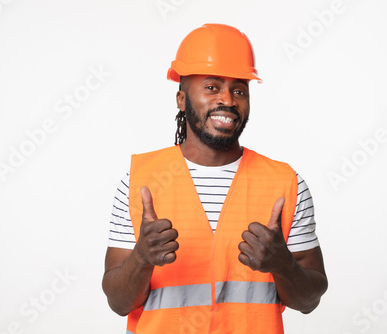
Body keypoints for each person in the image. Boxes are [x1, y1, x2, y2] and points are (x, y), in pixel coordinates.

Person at [102, 23, 327, 334]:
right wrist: (142, 257)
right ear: (181, 100)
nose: (229, 100)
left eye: (239, 89)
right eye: (211, 87)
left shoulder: (285, 183)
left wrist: (283, 264)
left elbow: (309, 301)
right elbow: (118, 302)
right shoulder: (140, 181)